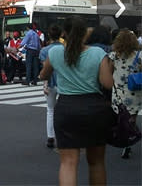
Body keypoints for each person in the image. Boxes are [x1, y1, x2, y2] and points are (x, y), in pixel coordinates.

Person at [39, 16, 114, 186]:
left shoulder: (55, 52)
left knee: (68, 163)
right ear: (85, 33)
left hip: (67, 109)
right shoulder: (98, 53)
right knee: (96, 162)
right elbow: (107, 83)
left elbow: (43, 74)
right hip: (94, 109)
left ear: (64, 33)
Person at [109, 29, 142, 159]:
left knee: (122, 117)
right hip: (135, 92)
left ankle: (126, 141)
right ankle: (130, 137)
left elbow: (110, 72)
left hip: (118, 92)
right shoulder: (139, 55)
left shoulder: (113, 56)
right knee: (131, 117)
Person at [40, 25, 64, 149]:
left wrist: (45, 84)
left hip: (50, 83)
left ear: (49, 35)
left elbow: (46, 69)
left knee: (50, 110)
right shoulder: (66, 49)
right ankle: (63, 136)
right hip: (64, 82)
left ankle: (50, 137)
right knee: (64, 110)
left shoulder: (45, 50)